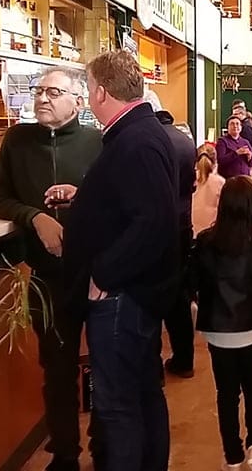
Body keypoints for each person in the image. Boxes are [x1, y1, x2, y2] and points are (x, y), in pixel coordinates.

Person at [64, 50, 179, 471]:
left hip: (122, 299)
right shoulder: (136, 134)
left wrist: (104, 274)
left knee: (119, 406)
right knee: (142, 395)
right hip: (133, 295)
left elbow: (154, 220)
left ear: (99, 91)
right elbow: (138, 207)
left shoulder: (135, 139)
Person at [0, 66, 102, 471]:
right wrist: (35, 217)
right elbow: (1, 198)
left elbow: (112, 201)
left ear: (77, 100)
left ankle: (103, 444)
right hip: (46, 278)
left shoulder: (97, 142)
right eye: (39, 91)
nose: (42, 98)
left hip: (95, 272)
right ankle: (66, 453)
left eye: (53, 92)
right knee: (56, 369)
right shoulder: (18, 141)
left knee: (104, 362)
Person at [187, 176, 252, 471]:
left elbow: (190, 282)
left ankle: (232, 456)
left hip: (218, 327)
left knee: (226, 393)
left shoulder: (205, 240)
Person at [155, 107, 197, 378]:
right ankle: (185, 360)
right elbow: (191, 184)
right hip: (183, 223)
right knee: (179, 295)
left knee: (153, 295)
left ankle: (153, 365)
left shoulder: (154, 141)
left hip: (159, 227)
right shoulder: (186, 142)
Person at [192, 143, 225, 236]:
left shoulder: (187, 179)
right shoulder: (221, 182)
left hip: (191, 231)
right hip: (213, 233)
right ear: (215, 161)